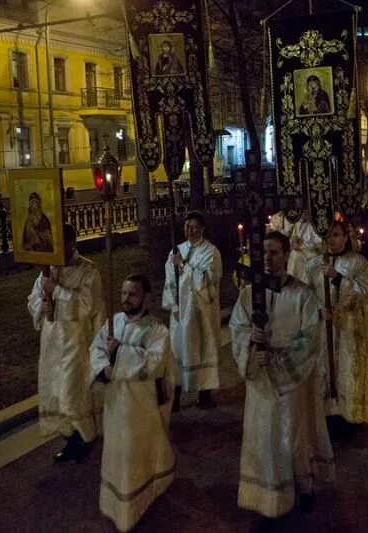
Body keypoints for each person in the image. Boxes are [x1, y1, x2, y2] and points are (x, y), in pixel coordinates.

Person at [229, 231, 334, 520]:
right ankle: (268, 499)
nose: (268, 258)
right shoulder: (249, 294)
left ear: (287, 255)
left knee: (293, 436)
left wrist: (275, 359)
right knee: (263, 437)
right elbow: (237, 327)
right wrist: (251, 343)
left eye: (275, 252)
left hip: (290, 384)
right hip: (260, 384)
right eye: (264, 252)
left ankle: (304, 484)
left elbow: (311, 338)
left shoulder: (301, 294)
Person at [90, 274, 175, 532]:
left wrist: (119, 353)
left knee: (138, 456)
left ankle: (140, 502)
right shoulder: (113, 323)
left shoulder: (156, 330)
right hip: (116, 406)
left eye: (132, 294)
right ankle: (116, 506)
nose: (126, 299)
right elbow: (96, 349)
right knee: (117, 453)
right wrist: (104, 369)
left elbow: (153, 364)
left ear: (146, 298)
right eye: (124, 293)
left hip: (141, 409)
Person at [27, 223, 104, 462]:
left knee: (72, 393)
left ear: (73, 244)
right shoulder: (48, 270)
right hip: (52, 342)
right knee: (56, 392)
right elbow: (33, 302)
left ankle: (86, 437)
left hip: (76, 342)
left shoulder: (88, 270)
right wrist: (44, 303)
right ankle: (71, 440)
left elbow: (87, 305)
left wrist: (57, 292)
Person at [305, 221, 368, 432]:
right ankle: (326, 416)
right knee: (325, 370)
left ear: (345, 237)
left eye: (336, 234)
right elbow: (306, 296)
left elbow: (365, 290)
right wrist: (320, 309)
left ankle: (350, 415)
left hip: (350, 328)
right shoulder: (312, 265)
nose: (332, 239)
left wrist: (338, 278)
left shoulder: (358, 262)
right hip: (323, 329)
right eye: (328, 235)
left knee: (348, 370)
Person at [162, 211, 222, 410]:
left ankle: (204, 394)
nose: (190, 230)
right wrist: (174, 306)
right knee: (177, 351)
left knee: (202, 349)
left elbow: (206, 280)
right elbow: (170, 281)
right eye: (187, 226)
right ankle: (175, 396)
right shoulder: (176, 250)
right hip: (180, 311)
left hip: (200, 311)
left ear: (202, 228)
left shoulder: (210, 251)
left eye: (195, 227)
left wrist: (184, 266)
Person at [287, 210, 324, 284]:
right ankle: (292, 281)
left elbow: (319, 243)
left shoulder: (314, 224)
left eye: (305, 212)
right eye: (302, 212)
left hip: (312, 252)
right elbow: (291, 240)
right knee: (294, 255)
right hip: (298, 251)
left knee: (297, 256)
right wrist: (294, 243)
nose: (303, 214)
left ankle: (302, 283)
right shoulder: (295, 224)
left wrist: (303, 244)